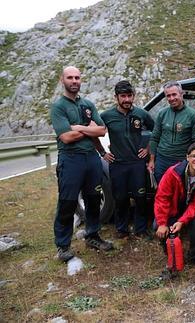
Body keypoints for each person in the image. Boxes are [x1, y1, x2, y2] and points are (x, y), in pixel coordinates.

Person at [50, 66, 113, 262]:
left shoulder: (87, 104)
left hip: (91, 158)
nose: (74, 81)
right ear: (63, 80)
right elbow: (67, 137)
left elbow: (102, 130)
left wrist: (79, 128)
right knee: (68, 202)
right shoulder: (58, 107)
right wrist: (88, 129)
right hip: (70, 160)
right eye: (70, 77)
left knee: (93, 199)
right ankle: (63, 246)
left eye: (77, 77)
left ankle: (92, 236)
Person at [99, 80, 155, 239]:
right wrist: (102, 152)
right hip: (117, 165)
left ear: (134, 96)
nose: (127, 99)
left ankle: (141, 229)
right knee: (120, 198)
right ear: (116, 97)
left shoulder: (141, 114)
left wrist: (148, 149)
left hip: (137, 163)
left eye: (129, 95)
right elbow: (94, 132)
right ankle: (121, 229)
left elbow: (156, 130)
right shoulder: (106, 116)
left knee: (140, 197)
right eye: (123, 96)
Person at [154, 142, 195, 272]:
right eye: (194, 156)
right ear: (187, 157)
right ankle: (169, 251)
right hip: (173, 207)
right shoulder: (173, 173)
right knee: (157, 226)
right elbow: (162, 198)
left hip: (190, 210)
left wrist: (181, 221)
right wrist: (162, 223)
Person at [148, 81, 195, 183]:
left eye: (174, 94)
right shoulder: (162, 113)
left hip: (181, 161)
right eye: (168, 96)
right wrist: (152, 160)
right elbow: (154, 137)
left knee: (179, 192)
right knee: (162, 191)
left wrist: (192, 161)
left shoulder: (193, 115)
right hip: (162, 160)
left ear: (181, 94)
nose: (171, 98)